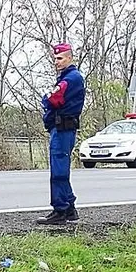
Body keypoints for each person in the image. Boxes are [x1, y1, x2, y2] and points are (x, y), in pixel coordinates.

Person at [37, 43, 86, 225]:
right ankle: (69, 208)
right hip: (61, 128)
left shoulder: (71, 78)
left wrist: (47, 99)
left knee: (59, 171)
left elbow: (52, 99)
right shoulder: (67, 77)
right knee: (60, 168)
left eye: (60, 58)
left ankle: (61, 209)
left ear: (69, 58)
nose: (56, 62)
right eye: (55, 59)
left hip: (63, 128)